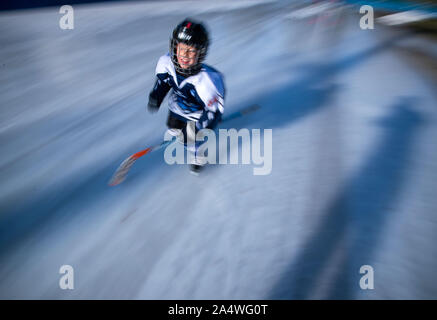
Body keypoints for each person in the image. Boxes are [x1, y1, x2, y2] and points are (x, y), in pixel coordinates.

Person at [147, 18, 225, 175]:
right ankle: (184, 136)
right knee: (173, 127)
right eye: (182, 48)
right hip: (177, 106)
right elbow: (163, 83)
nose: (185, 55)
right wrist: (156, 96)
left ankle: (197, 153)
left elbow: (213, 112)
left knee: (191, 140)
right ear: (174, 47)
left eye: (191, 51)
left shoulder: (208, 81)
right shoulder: (166, 63)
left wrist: (201, 129)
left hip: (197, 115)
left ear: (200, 53)